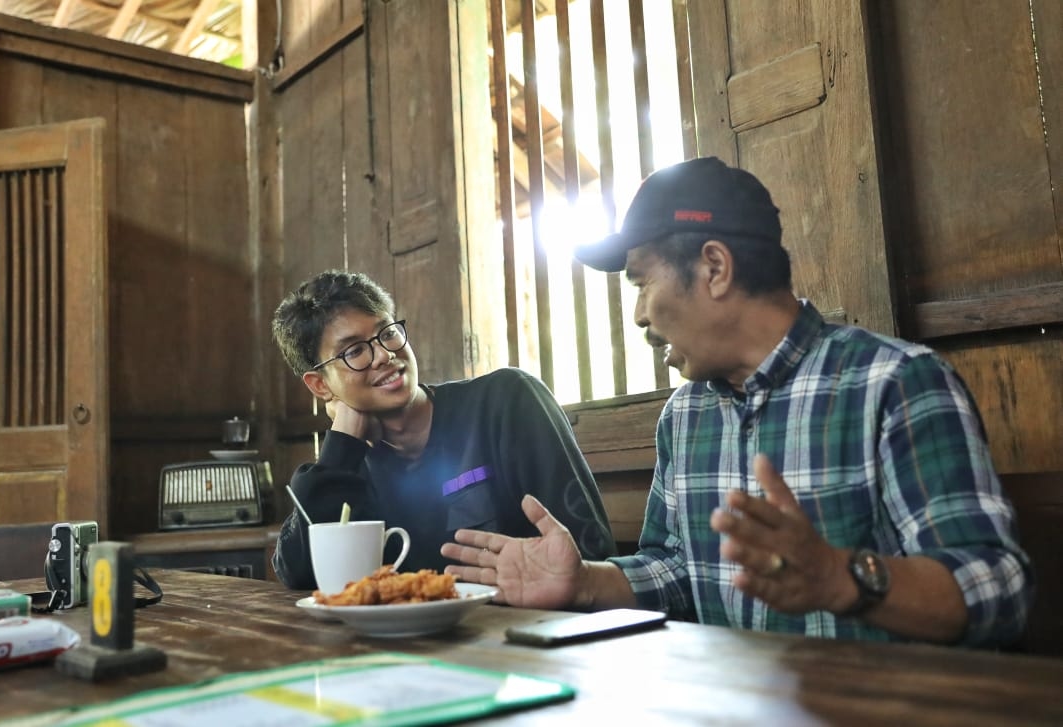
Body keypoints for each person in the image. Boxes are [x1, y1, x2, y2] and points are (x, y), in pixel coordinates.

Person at [441, 157, 1034, 647]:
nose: (640, 314)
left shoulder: (894, 383)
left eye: (642, 282)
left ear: (715, 267)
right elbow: (677, 573)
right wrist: (584, 584)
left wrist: (840, 578)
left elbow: (997, 589)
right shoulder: (686, 415)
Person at [270, 269, 616, 590]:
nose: (383, 356)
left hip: (527, 631)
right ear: (320, 385)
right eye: (355, 351)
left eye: (387, 333)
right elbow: (297, 573)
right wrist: (341, 445)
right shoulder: (346, 467)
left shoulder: (506, 402)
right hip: (405, 647)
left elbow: (589, 550)